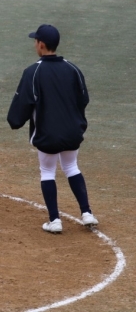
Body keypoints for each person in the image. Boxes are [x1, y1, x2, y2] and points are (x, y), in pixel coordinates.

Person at [7, 24, 99, 234]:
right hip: (72, 132)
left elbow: (22, 105)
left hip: (48, 134)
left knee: (47, 171)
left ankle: (54, 220)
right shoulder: (72, 69)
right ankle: (86, 213)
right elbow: (83, 99)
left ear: (41, 44)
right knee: (71, 167)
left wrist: (15, 121)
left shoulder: (33, 72)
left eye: (35, 41)